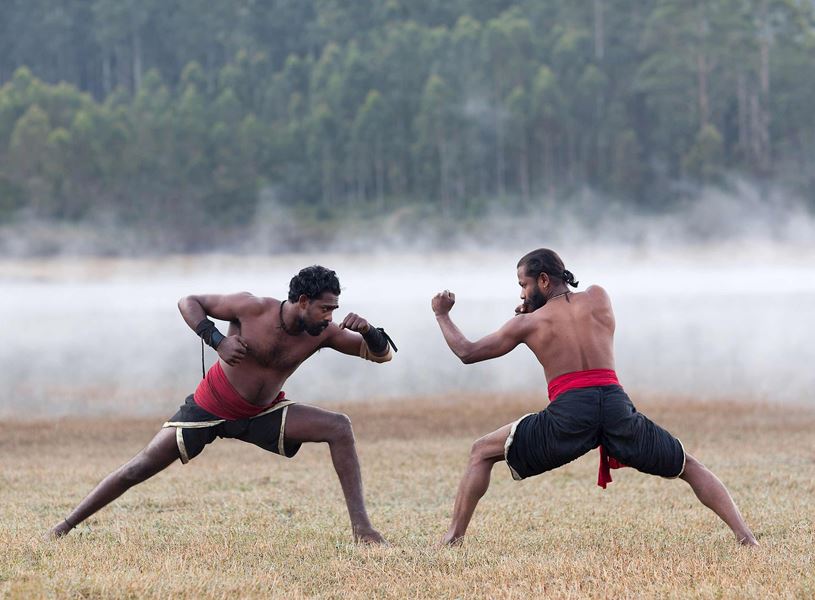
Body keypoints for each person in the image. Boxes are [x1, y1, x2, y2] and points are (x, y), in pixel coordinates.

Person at [431, 248, 757, 546]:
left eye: (523, 284)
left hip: (570, 414)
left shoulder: (527, 324)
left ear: (543, 280)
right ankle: (746, 538)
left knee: (480, 452)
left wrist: (442, 315)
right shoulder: (599, 297)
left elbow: (467, 352)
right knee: (688, 465)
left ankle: (453, 537)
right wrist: (534, 308)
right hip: (616, 406)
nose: (521, 292)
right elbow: (570, 316)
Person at [50, 265, 395, 544]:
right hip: (211, 406)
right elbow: (189, 301)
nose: (330, 317)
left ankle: (363, 530)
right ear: (303, 301)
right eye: (325, 308)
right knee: (137, 468)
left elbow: (381, 356)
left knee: (339, 427)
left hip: (262, 412)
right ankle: (64, 526)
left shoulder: (324, 332)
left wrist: (369, 331)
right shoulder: (251, 307)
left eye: (334, 309)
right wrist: (216, 341)